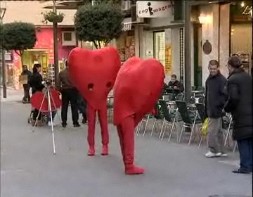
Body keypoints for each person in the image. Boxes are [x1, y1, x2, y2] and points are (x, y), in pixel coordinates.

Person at [224, 56, 252, 174]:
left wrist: (227, 108)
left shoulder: (233, 80)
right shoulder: (248, 77)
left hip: (241, 114)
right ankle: (250, 164)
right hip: (250, 111)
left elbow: (234, 98)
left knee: (243, 140)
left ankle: (245, 166)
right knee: (250, 140)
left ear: (230, 66)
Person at [204, 60, 227, 158]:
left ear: (218, 68)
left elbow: (225, 95)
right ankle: (220, 150)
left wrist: (220, 105)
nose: (212, 70)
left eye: (214, 68)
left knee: (211, 131)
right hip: (211, 108)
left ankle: (213, 150)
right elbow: (207, 94)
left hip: (216, 108)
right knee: (218, 131)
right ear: (208, 68)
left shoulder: (222, 80)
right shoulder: (209, 79)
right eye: (211, 68)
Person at [58, 61, 80, 128]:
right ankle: (75, 122)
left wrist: (60, 90)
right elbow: (79, 81)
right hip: (73, 90)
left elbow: (58, 84)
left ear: (65, 64)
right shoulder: (75, 72)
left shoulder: (61, 73)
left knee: (64, 107)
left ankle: (64, 122)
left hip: (65, 91)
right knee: (74, 107)